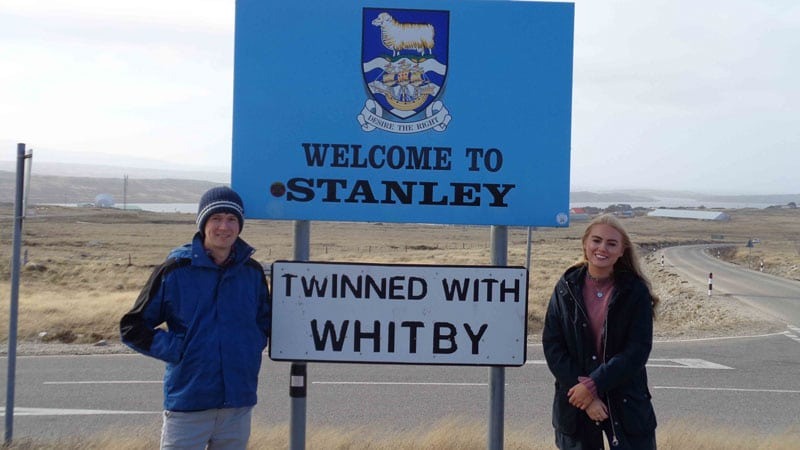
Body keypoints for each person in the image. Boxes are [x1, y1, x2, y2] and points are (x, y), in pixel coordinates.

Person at [120, 186, 271, 449]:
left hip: (237, 404)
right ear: (203, 223)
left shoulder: (252, 272)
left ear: (240, 225)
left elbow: (264, 321)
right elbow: (133, 327)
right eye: (216, 218)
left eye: (232, 219)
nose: (224, 226)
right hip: (188, 403)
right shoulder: (175, 271)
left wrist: (249, 345)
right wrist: (180, 349)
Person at [542, 214, 659, 449]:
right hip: (575, 404)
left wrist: (593, 385)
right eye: (596, 240)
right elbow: (553, 346)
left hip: (626, 404)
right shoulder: (566, 287)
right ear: (585, 243)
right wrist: (586, 396)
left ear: (621, 251)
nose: (602, 248)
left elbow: (637, 351)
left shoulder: (634, 291)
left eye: (611, 243)